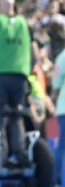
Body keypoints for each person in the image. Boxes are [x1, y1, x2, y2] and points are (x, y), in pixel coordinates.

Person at [0, 0, 32, 165]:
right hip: (21, 76)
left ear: (1, 7)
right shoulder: (24, 24)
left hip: (1, 74)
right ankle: (22, 154)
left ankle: (2, 154)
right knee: (17, 114)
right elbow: (34, 48)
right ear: (13, 7)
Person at [52, 42, 65, 187]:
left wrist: (52, 98)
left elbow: (55, 86)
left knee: (61, 147)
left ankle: (55, 181)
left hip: (63, 109)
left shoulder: (62, 57)